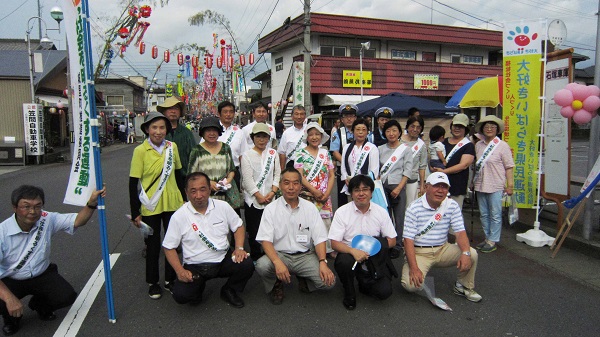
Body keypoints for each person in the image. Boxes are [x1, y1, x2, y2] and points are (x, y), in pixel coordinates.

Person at [0, 185, 105, 335]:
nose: (32, 211)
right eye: (26, 206)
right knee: (4, 299)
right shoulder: (2, 232)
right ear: (15, 207)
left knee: (66, 296)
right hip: (11, 278)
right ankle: (11, 319)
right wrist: (9, 298)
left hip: (41, 273)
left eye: (37, 206)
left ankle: (40, 306)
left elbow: (77, 221)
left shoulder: (46, 218)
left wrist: (91, 203)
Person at [162, 172, 254, 308]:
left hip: (223, 259)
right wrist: (179, 271)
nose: (198, 195)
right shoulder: (179, 216)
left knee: (247, 265)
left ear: (209, 189)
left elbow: (238, 226)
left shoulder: (222, 206)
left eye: (202, 189)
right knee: (181, 295)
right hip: (195, 265)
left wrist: (239, 248)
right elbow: (169, 247)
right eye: (193, 191)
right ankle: (197, 288)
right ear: (186, 192)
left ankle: (229, 290)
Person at [255, 168, 336, 305]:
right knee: (262, 265)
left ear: (300, 186)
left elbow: (320, 238)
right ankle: (275, 284)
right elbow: (265, 240)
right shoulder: (271, 209)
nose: (291, 187)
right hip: (280, 255)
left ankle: (304, 280)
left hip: (305, 256)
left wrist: (323, 261)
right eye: (286, 183)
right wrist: (277, 262)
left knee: (329, 283)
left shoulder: (310, 208)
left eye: (295, 183)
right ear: (280, 185)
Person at [401, 173, 482, 303]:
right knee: (411, 286)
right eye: (436, 186)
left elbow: (460, 232)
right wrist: (414, 268)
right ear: (427, 187)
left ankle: (463, 286)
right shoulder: (414, 208)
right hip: (420, 252)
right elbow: (408, 240)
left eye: (444, 187)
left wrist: (465, 253)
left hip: (443, 249)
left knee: (472, 253)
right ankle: (412, 267)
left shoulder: (451, 205)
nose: (440, 190)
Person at [129, 112, 185, 300]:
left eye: (162, 127)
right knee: (152, 245)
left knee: (172, 242)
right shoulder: (140, 151)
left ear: (167, 130)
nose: (158, 131)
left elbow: (178, 175)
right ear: (146, 129)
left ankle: (170, 279)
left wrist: (184, 199)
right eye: (154, 127)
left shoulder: (172, 147)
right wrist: (135, 211)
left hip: (173, 201)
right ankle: (153, 282)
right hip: (150, 204)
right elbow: (133, 183)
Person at [329, 175, 398, 310]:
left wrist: (373, 249)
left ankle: (365, 284)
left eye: (365, 189)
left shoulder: (381, 212)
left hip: (374, 254)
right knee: (344, 262)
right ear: (351, 193)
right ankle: (349, 292)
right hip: (350, 253)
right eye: (356, 190)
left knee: (384, 292)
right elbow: (334, 243)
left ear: (371, 192)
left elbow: (392, 240)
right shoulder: (342, 212)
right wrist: (353, 251)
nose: (361, 193)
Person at [473, 115, 515, 253]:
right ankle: (487, 237)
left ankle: (493, 240)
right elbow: (474, 165)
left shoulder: (502, 146)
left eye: (492, 126)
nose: (489, 129)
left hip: (496, 184)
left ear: (497, 129)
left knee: (495, 214)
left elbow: (509, 166)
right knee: (484, 214)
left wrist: (510, 185)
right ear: (482, 129)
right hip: (480, 183)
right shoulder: (478, 145)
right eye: (486, 126)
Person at [241, 123, 282, 262]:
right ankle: (256, 256)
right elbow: (247, 179)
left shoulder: (273, 153)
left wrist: (273, 192)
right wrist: (258, 196)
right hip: (253, 200)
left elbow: (277, 174)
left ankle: (270, 254)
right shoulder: (246, 155)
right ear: (253, 138)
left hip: (271, 198)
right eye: (258, 136)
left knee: (272, 228)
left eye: (264, 136)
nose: (261, 140)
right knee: (254, 229)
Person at [293, 122, 335, 254]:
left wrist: (327, 193)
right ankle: (307, 248)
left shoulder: (325, 153)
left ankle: (327, 249)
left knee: (325, 222)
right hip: (307, 195)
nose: (314, 137)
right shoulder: (300, 153)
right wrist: (314, 191)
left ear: (321, 136)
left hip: (324, 196)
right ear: (306, 137)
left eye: (317, 134)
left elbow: (332, 174)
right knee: (306, 223)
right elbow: (299, 176)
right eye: (311, 135)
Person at [188, 116, 242, 210]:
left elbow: (231, 169)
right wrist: (208, 182)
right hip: (205, 196)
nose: (212, 133)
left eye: (215, 130)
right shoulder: (197, 150)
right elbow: (191, 174)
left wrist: (228, 180)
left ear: (219, 132)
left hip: (225, 196)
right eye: (208, 130)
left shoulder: (225, 148)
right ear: (202, 133)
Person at [377, 120, 413, 256]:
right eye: (388, 131)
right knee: (384, 217)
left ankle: (397, 245)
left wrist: (399, 188)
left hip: (398, 185)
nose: (391, 134)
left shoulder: (405, 149)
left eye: (394, 130)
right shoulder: (380, 149)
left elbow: (408, 171)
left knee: (399, 217)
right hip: (382, 187)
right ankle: (386, 243)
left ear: (399, 132)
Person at [432, 113, 475, 209]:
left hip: (457, 185)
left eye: (461, 126)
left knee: (454, 214)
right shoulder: (443, 142)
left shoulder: (468, 145)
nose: (457, 129)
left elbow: (463, 165)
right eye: (455, 126)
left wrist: (444, 171)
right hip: (439, 184)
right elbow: (433, 157)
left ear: (466, 129)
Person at [158, 96, 197, 178]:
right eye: (169, 108)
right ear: (164, 112)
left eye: (176, 108)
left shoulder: (187, 133)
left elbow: (194, 157)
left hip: (183, 178)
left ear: (180, 112)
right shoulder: (156, 132)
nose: (173, 111)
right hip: (160, 179)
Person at [340, 118, 380, 197]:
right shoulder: (347, 147)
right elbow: (343, 166)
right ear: (353, 131)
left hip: (366, 186)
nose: (360, 132)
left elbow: (374, 170)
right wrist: (346, 179)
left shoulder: (372, 148)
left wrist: (365, 185)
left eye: (363, 130)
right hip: (351, 185)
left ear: (367, 132)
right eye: (358, 129)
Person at [214, 101, 246, 191]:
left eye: (231, 111)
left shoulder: (239, 132)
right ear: (219, 114)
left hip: (234, 173)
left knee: (234, 203)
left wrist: (244, 178)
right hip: (214, 172)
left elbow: (242, 156)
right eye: (225, 112)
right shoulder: (212, 130)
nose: (228, 114)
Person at [330, 104, 357, 206]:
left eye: (351, 116)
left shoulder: (360, 131)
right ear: (342, 119)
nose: (349, 119)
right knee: (343, 199)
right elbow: (335, 151)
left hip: (358, 168)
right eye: (346, 116)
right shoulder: (337, 133)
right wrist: (347, 162)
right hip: (343, 169)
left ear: (355, 118)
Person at [400, 115, 427, 207]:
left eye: (418, 127)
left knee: (410, 206)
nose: (415, 130)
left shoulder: (421, 145)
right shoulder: (399, 140)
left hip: (412, 181)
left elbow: (422, 166)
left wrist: (422, 185)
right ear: (407, 127)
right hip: (397, 180)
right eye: (412, 126)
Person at [278, 105, 306, 169]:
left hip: (308, 164)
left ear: (305, 116)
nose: (299, 117)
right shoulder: (287, 133)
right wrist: (282, 170)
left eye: (301, 114)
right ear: (292, 116)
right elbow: (282, 152)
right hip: (292, 165)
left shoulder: (309, 130)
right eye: (296, 114)